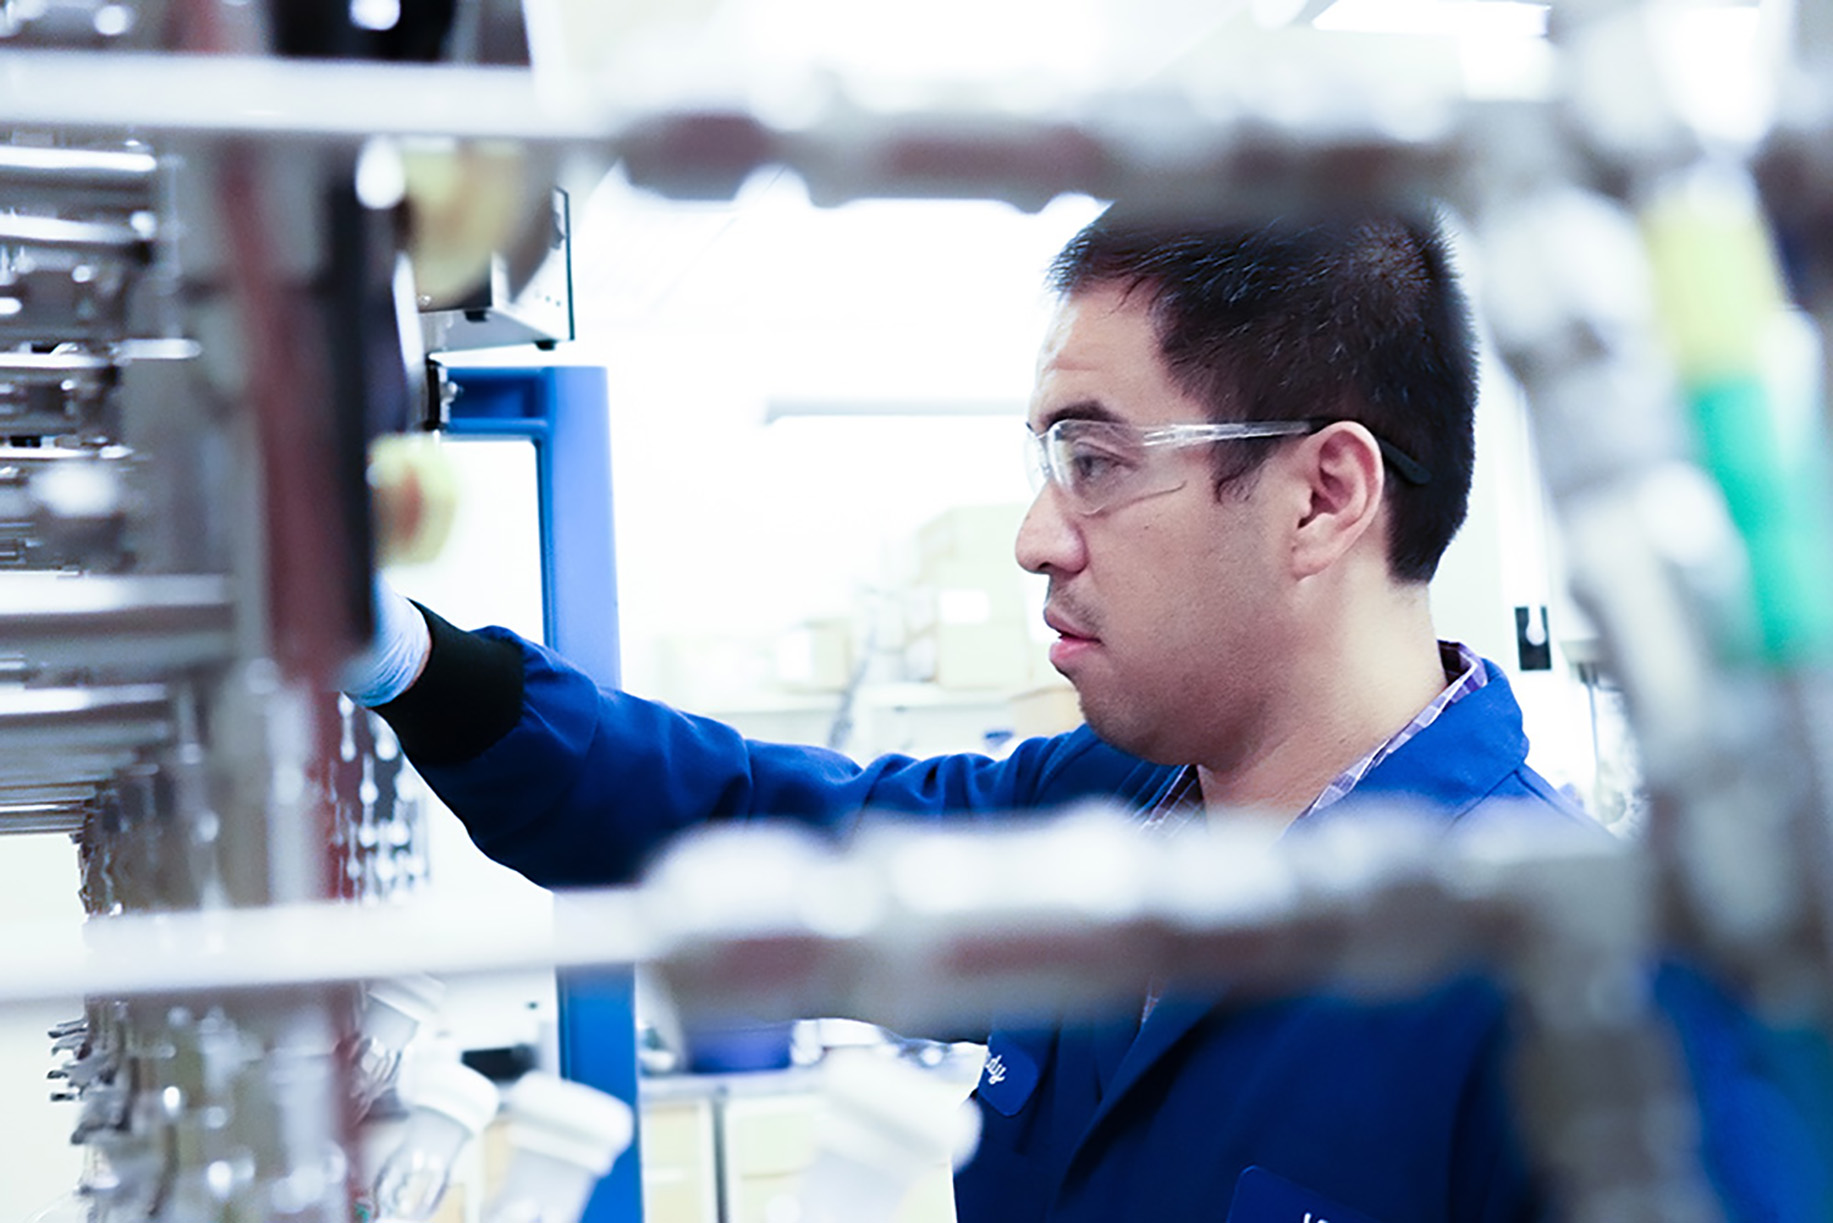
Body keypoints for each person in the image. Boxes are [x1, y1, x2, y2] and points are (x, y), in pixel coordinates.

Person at [346, 206, 1821, 1223]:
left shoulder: (1585, 988)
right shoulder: (1082, 821)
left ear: (1321, 494)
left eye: (1095, 462)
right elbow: (738, 825)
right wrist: (402, 657)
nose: (1036, 537)